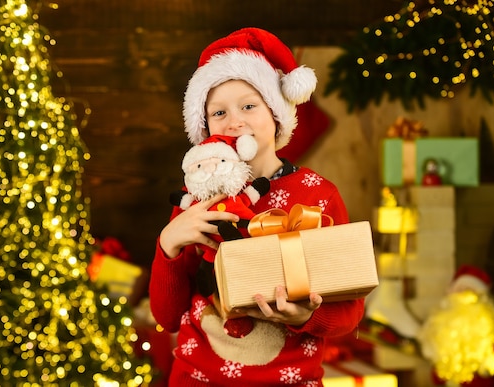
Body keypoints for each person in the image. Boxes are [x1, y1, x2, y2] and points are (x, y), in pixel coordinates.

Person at [149, 27, 365, 386]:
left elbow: (349, 312)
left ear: (276, 114)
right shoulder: (198, 198)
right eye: (218, 113)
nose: (234, 121)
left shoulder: (317, 196)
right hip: (197, 378)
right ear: (205, 127)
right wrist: (168, 242)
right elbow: (167, 317)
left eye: (249, 106)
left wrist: (304, 317)